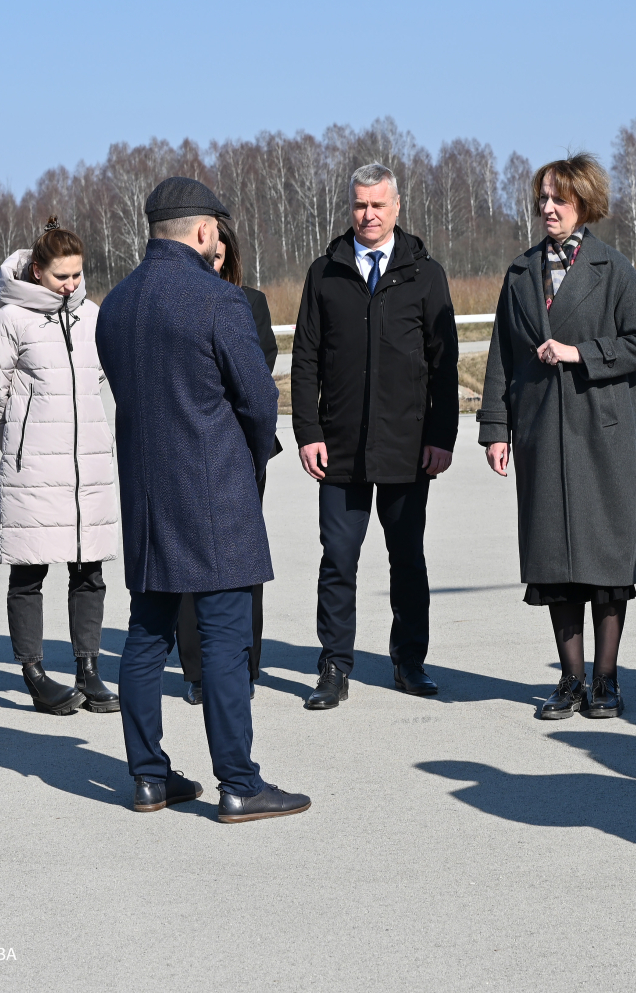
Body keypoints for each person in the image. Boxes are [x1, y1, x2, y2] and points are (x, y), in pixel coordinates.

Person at [96, 176, 309, 822]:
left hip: (146, 496)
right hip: (214, 491)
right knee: (222, 639)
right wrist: (246, 460)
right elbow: (260, 398)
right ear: (204, 231)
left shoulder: (116, 305)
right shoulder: (217, 301)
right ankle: (239, 783)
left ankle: (149, 777)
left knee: (147, 634)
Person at [476, 154, 636, 720]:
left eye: (558, 199)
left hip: (602, 437)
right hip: (540, 437)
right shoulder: (520, 272)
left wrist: (580, 354)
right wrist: (496, 430)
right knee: (554, 564)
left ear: (583, 202)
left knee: (604, 563)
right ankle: (570, 681)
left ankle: (606, 680)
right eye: (542, 199)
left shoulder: (613, 268)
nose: (547, 208)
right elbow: (502, 357)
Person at [290, 163, 459, 709]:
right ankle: (335, 666)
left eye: (378, 205)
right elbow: (306, 360)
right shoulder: (326, 273)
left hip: (408, 449)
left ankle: (410, 661)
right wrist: (308, 432)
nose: (368, 215)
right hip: (339, 448)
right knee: (338, 558)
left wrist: (442, 435)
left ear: (397, 207)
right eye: (360, 205)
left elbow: (444, 364)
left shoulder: (424, 274)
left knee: (407, 558)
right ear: (351, 207)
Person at [0, 219, 121, 715]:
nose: (72, 285)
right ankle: (34, 673)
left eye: (78, 275)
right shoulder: (8, 321)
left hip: (88, 468)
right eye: (62, 276)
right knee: (29, 573)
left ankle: (89, 668)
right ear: (36, 271)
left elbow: (100, 379)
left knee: (89, 571)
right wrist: (22, 444)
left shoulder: (94, 318)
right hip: (33, 466)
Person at [176, 215, 282, 705]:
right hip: (185, 449)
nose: (210, 263)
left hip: (239, 448)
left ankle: (244, 664)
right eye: (206, 255)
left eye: (218, 257)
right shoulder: (174, 303)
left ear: (228, 257)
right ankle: (196, 670)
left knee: (241, 562)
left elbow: (257, 372)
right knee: (188, 561)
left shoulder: (249, 302)